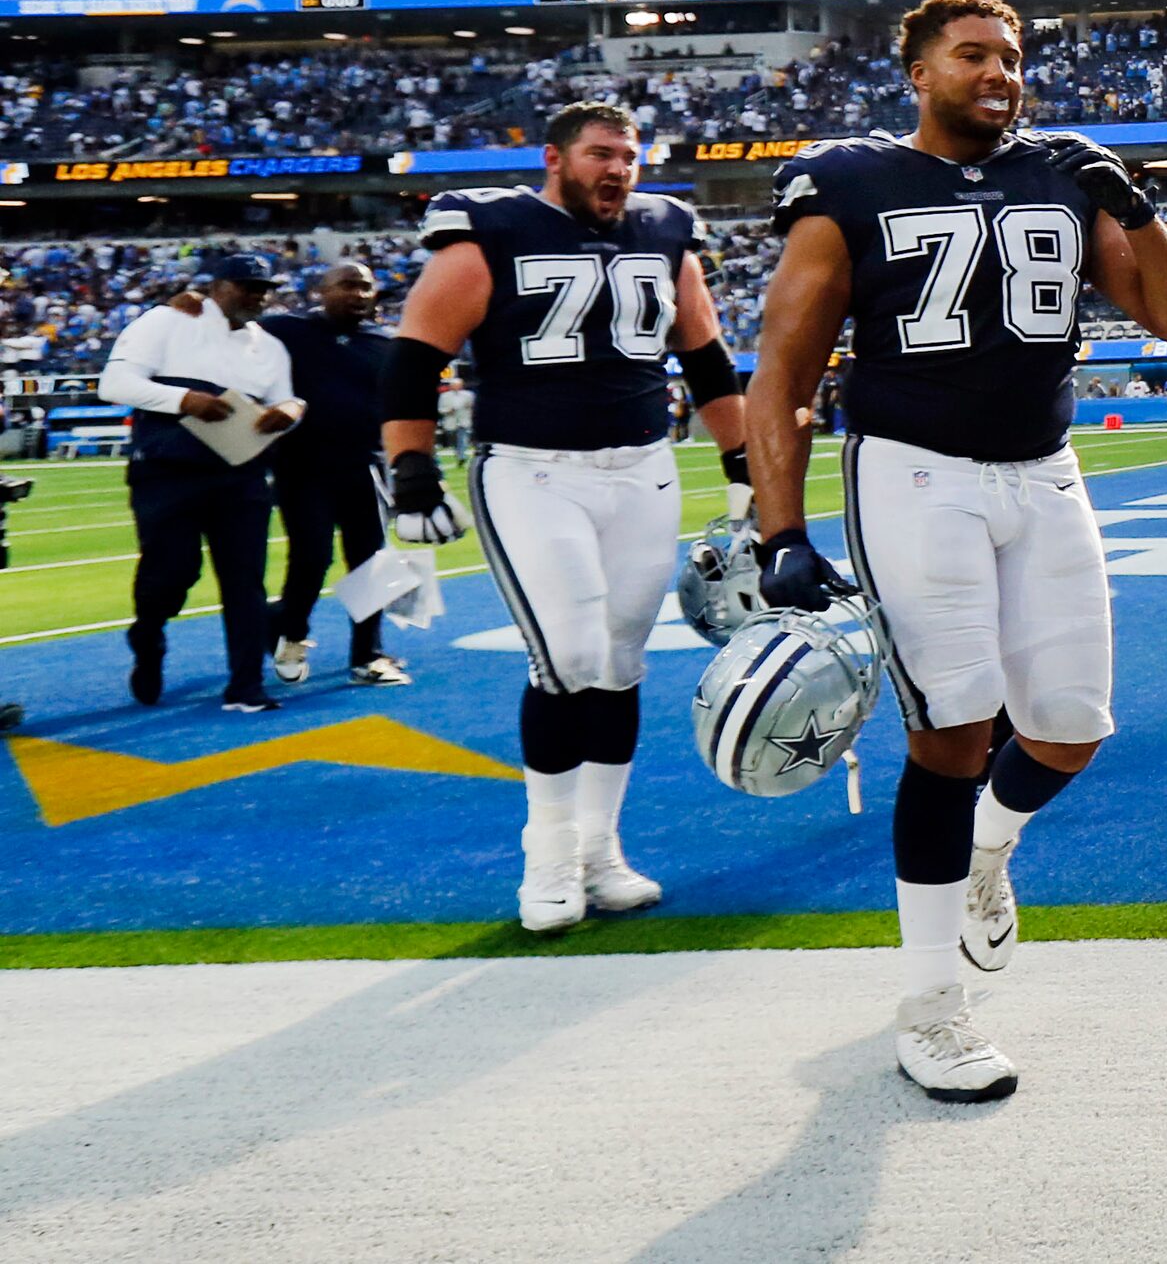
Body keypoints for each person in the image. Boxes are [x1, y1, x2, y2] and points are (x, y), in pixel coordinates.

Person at [743, 0, 1167, 1105]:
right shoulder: (849, 181)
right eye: (971, 55)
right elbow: (784, 369)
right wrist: (781, 530)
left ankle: (987, 860)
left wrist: (1133, 204)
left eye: (1010, 56)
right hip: (914, 471)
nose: (998, 72)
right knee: (952, 730)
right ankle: (931, 1010)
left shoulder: (1063, 171)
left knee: (1066, 730)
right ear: (916, 70)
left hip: (1045, 474)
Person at [378, 101, 754, 935]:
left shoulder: (665, 227)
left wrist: (741, 459)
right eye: (599, 154)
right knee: (570, 655)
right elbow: (416, 352)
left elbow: (704, 354)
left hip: (641, 468)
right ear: (555, 157)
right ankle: (546, 854)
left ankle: (600, 851)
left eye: (627, 156)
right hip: (531, 469)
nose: (616, 168)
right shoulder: (492, 226)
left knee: (620, 662)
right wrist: (408, 464)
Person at [98, 253, 301, 712]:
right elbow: (114, 383)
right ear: (217, 286)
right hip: (169, 472)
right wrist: (184, 400)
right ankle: (148, 636)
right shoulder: (167, 321)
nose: (257, 295)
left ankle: (247, 685)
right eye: (246, 285)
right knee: (170, 574)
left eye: (263, 288)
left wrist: (291, 412)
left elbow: (285, 399)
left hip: (240, 473)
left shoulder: (269, 346)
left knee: (245, 580)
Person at [262, 261, 410, 688]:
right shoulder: (283, 330)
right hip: (301, 466)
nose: (358, 294)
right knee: (311, 558)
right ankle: (291, 634)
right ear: (321, 290)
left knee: (370, 563)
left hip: (365, 466)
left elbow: (396, 409)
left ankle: (369, 654)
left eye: (365, 287)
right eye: (347, 285)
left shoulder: (384, 344)